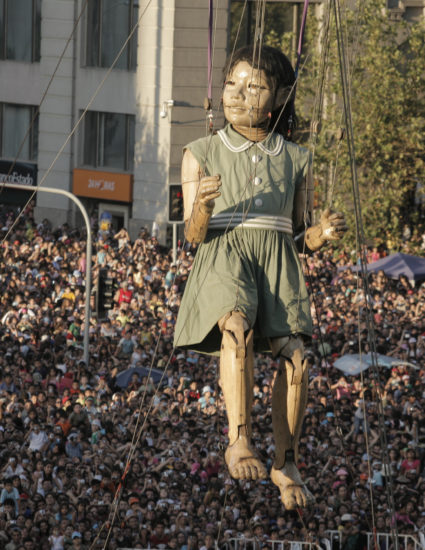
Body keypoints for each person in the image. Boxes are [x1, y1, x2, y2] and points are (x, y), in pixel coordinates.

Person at [174, 45, 346, 509]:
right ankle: (240, 438)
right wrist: (204, 205)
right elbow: (193, 234)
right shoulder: (200, 153)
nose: (237, 94)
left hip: (276, 261)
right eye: (232, 84)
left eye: (254, 86)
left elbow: (297, 236)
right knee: (236, 328)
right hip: (225, 254)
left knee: (298, 359)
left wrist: (321, 234)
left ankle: (286, 460)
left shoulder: (297, 159)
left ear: (278, 97)